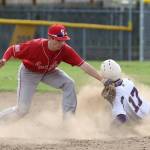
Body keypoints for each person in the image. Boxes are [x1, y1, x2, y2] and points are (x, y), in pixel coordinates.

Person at [0, 24, 104, 121]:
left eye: (63, 40)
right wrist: (4, 60)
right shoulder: (34, 46)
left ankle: (68, 121)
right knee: (22, 110)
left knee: (69, 83)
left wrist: (102, 79)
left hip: (49, 72)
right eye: (58, 40)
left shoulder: (65, 50)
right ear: (50, 38)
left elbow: (84, 65)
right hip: (29, 73)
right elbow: (12, 49)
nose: (61, 43)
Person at [100, 59, 150, 124]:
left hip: (144, 120)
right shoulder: (128, 81)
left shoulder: (116, 96)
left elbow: (121, 118)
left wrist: (109, 131)